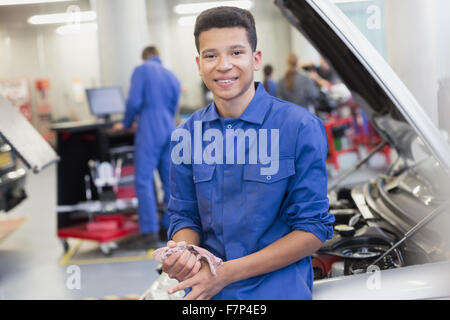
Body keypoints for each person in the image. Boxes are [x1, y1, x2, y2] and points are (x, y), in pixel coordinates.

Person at [161, 7, 334, 300]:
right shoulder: (186, 135)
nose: (223, 65)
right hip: (206, 292)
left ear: (255, 59)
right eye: (211, 55)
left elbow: (312, 230)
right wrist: (183, 252)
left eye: (236, 52)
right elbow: (185, 216)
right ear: (199, 64)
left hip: (279, 291)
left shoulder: (298, 128)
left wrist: (226, 273)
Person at [113, 46, 181, 249]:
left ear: (144, 58)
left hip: (149, 126)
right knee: (170, 182)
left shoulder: (141, 70)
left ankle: (150, 231)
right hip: (169, 125)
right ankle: (168, 228)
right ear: (158, 56)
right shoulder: (171, 75)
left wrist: (126, 124)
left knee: (143, 180)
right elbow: (174, 103)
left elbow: (134, 101)